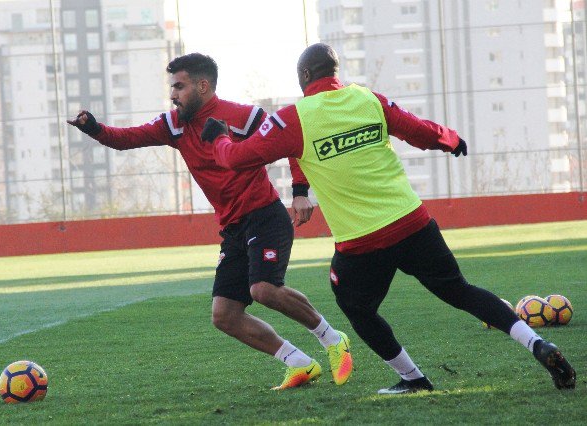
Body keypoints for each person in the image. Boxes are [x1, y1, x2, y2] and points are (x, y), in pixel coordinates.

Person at [201, 43, 576, 394]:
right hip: (413, 223)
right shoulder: (368, 99)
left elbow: (237, 158)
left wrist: (218, 137)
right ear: (335, 70)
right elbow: (417, 130)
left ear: (302, 79)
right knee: (461, 291)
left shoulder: (295, 117)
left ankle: (412, 378)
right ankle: (537, 343)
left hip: (362, 244)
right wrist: (450, 139)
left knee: (357, 308)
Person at [67, 52, 352, 390]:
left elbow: (289, 141)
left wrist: (300, 190)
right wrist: (94, 128)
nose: (173, 95)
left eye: (179, 86)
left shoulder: (242, 116)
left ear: (203, 86)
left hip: (265, 216)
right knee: (225, 315)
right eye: (172, 87)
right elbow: (127, 138)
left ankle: (332, 338)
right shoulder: (173, 125)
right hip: (233, 229)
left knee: (262, 289)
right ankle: (299, 363)